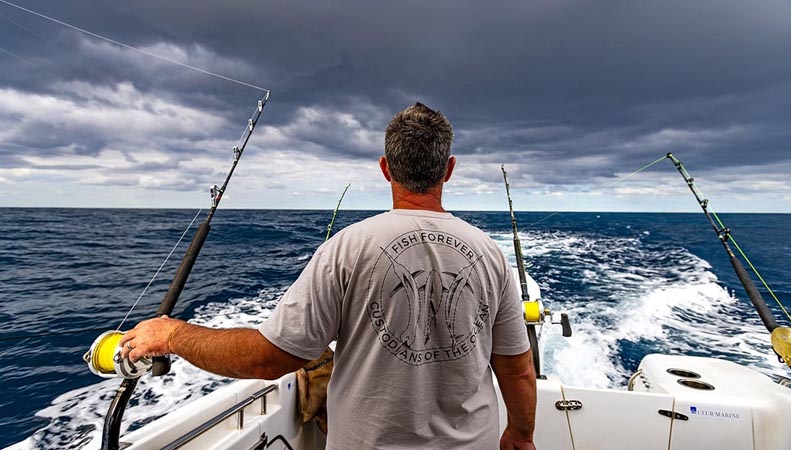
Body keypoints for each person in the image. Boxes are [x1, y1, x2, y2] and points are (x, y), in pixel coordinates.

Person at [120, 102, 537, 450]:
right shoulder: (490, 254)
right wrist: (521, 435)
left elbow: (270, 359)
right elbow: (517, 370)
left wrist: (172, 335)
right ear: (448, 169)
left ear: (385, 168)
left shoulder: (346, 247)